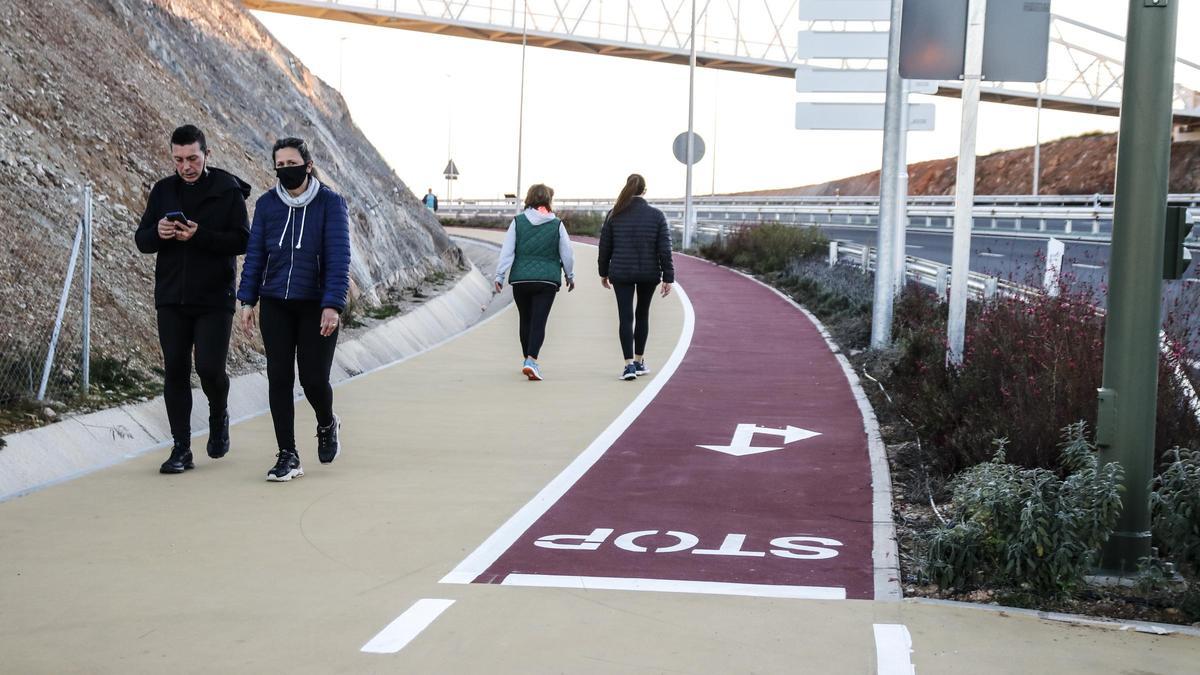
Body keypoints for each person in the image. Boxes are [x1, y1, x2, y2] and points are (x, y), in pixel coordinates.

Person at [135, 124, 251, 474]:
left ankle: (219, 414)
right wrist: (158, 232)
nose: (185, 166)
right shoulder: (163, 191)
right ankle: (181, 448)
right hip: (171, 295)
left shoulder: (228, 190)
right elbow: (142, 240)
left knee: (210, 369)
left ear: (207, 155)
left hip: (215, 295)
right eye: (179, 159)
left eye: (192, 158)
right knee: (175, 371)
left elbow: (243, 241)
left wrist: (200, 236)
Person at [237, 137, 351, 482]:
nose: (286, 170)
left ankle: (327, 421)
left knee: (314, 380)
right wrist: (247, 299)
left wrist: (332, 305)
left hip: (316, 306)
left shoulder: (331, 203)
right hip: (275, 303)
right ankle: (288, 454)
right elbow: (255, 254)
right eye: (280, 165)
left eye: (292, 163)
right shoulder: (268, 204)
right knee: (279, 378)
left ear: (308, 165)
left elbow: (338, 258)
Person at [493, 184, 575, 381]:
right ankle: (531, 360)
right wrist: (569, 275)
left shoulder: (518, 222)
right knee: (539, 321)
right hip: (547, 280)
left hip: (521, 279)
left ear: (529, 198)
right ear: (548, 200)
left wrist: (500, 275)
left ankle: (527, 360)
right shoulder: (556, 224)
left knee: (525, 320)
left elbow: (507, 250)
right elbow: (567, 253)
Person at [598, 174, 674, 381]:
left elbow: (605, 247)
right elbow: (664, 249)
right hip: (649, 273)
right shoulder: (656, 216)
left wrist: (603, 272)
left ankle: (628, 365)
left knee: (625, 317)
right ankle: (640, 361)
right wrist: (668, 277)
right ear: (645, 191)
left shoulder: (615, 214)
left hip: (621, 273)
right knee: (642, 314)